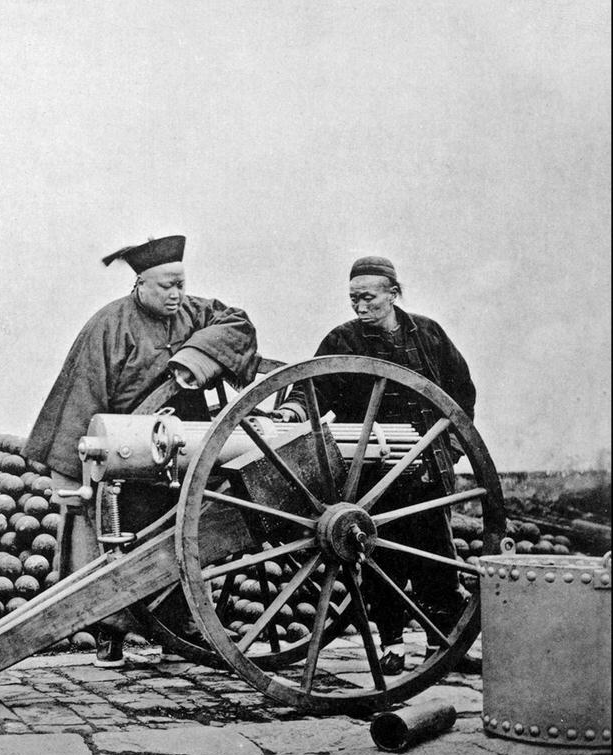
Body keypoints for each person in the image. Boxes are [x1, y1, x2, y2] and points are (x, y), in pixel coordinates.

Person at [25, 234, 260, 665]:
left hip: (187, 447)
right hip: (127, 457)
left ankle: (184, 628)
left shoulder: (197, 312)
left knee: (186, 538)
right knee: (117, 545)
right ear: (140, 285)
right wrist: (78, 468)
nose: (176, 295)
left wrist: (197, 358)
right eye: (165, 286)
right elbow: (82, 396)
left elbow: (237, 324)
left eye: (181, 285)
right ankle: (110, 634)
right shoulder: (108, 325)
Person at [275, 255, 475, 674]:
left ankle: (450, 644)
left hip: (426, 467)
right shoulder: (342, 341)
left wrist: (451, 450)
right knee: (382, 559)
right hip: (371, 476)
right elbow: (312, 388)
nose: (361, 307)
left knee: (437, 555)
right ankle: (393, 645)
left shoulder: (429, 336)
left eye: (368, 298)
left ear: (393, 293)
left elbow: (460, 397)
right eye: (354, 300)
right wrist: (292, 412)